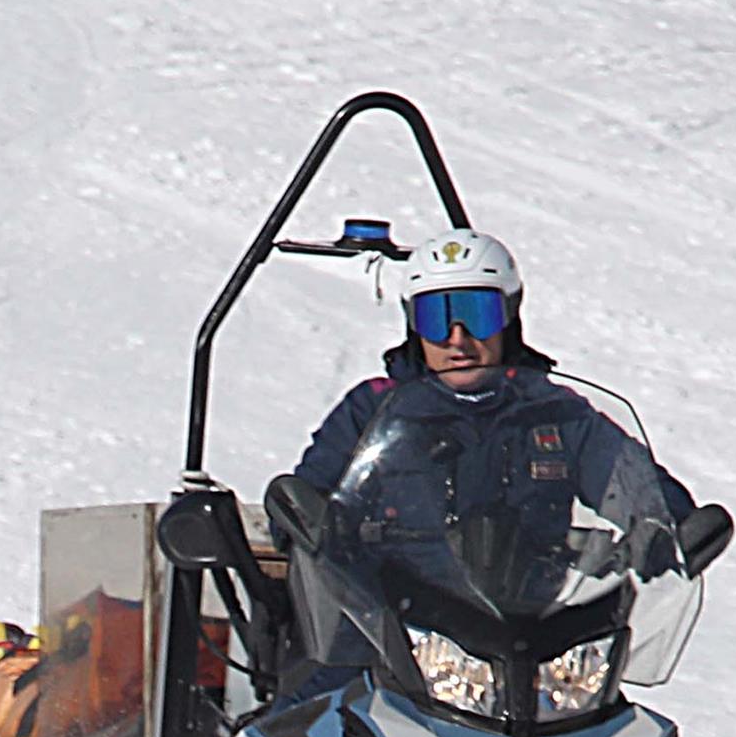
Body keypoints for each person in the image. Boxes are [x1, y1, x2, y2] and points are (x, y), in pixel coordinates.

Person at [291, 226, 700, 595]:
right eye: (437, 318)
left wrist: (667, 528)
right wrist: (319, 526)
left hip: (530, 635)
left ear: (509, 316)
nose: (458, 340)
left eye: (477, 316)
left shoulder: (553, 415)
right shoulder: (374, 409)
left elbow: (631, 481)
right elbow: (304, 502)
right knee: (331, 679)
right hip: (391, 634)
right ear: (413, 326)